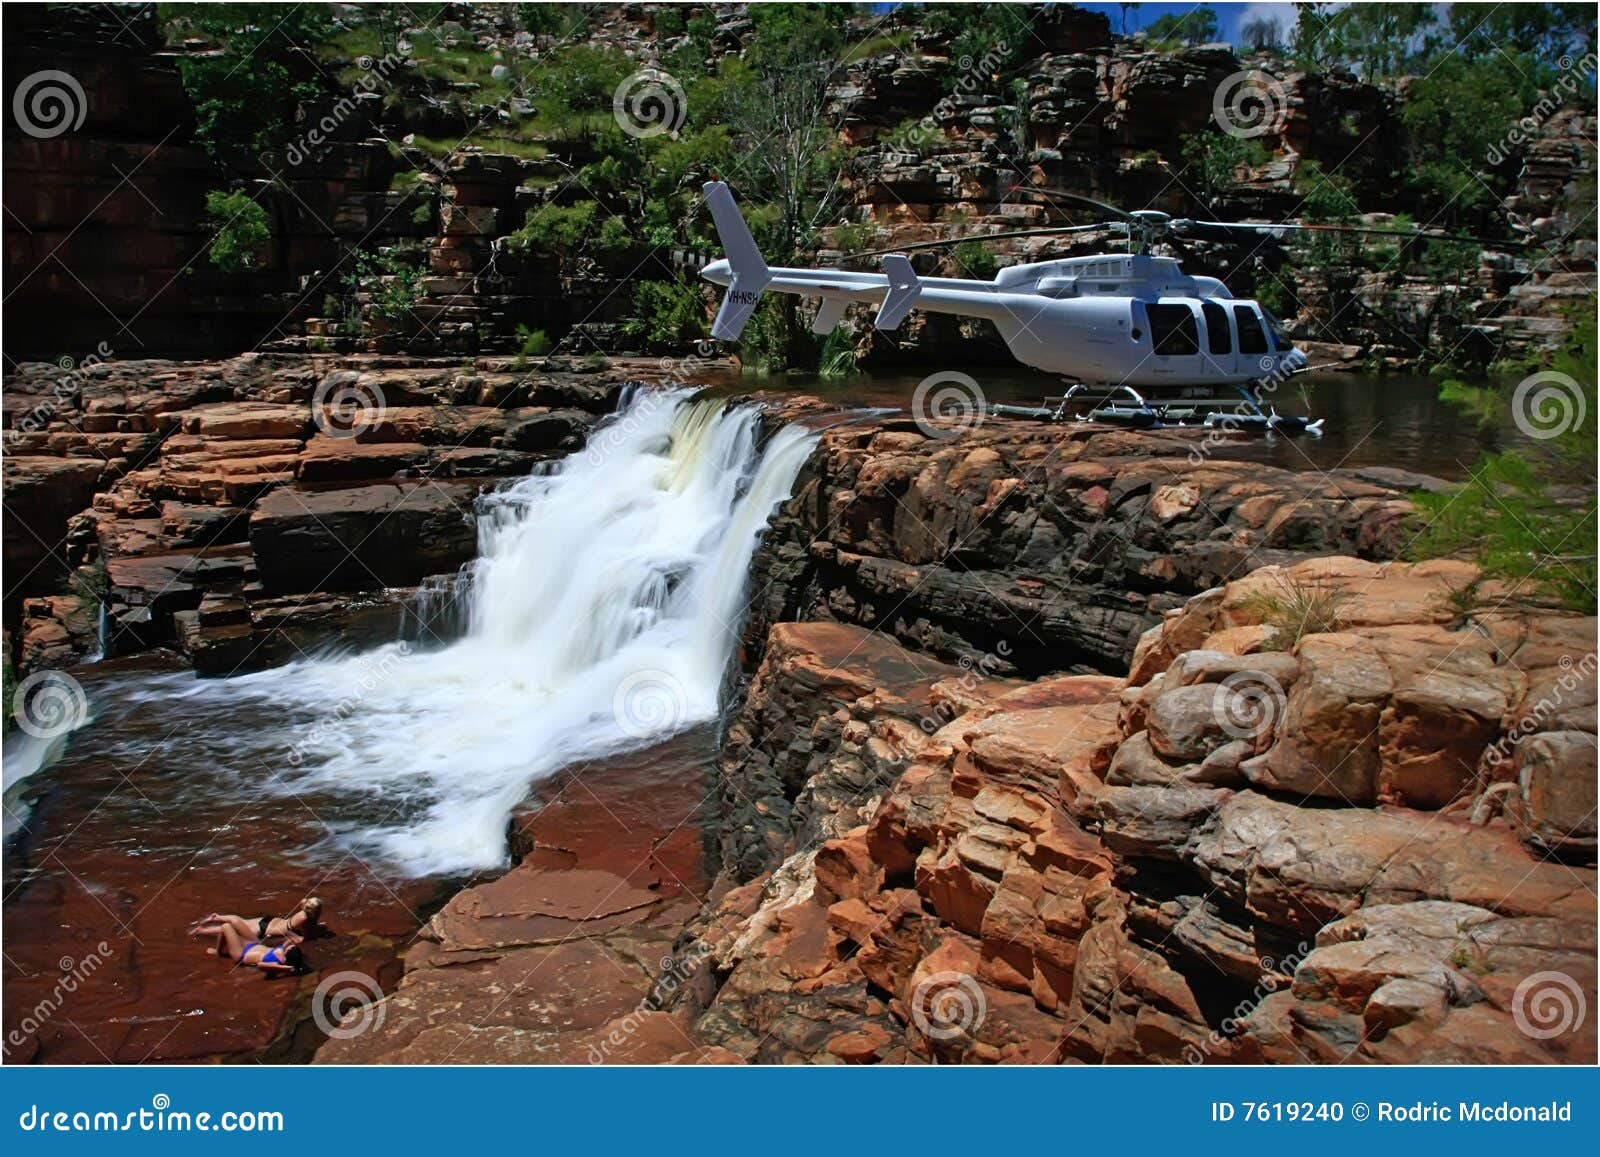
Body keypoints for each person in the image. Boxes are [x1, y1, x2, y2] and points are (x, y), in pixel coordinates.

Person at [187, 897, 325, 943]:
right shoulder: (305, 918)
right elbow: (304, 938)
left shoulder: (303, 909)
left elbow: (303, 903)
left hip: (270, 921)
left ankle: (217, 917)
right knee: (235, 928)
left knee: (243, 921)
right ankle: (202, 930)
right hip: (266, 929)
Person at [205, 925, 304, 975]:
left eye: (289, 948)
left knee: (225, 927)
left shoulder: (277, 962)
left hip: (242, 954)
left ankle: (217, 952)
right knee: (235, 922)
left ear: (286, 955)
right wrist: (294, 939)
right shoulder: (285, 952)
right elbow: (287, 943)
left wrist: (288, 969)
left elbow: (261, 965)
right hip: (254, 944)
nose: (288, 946)